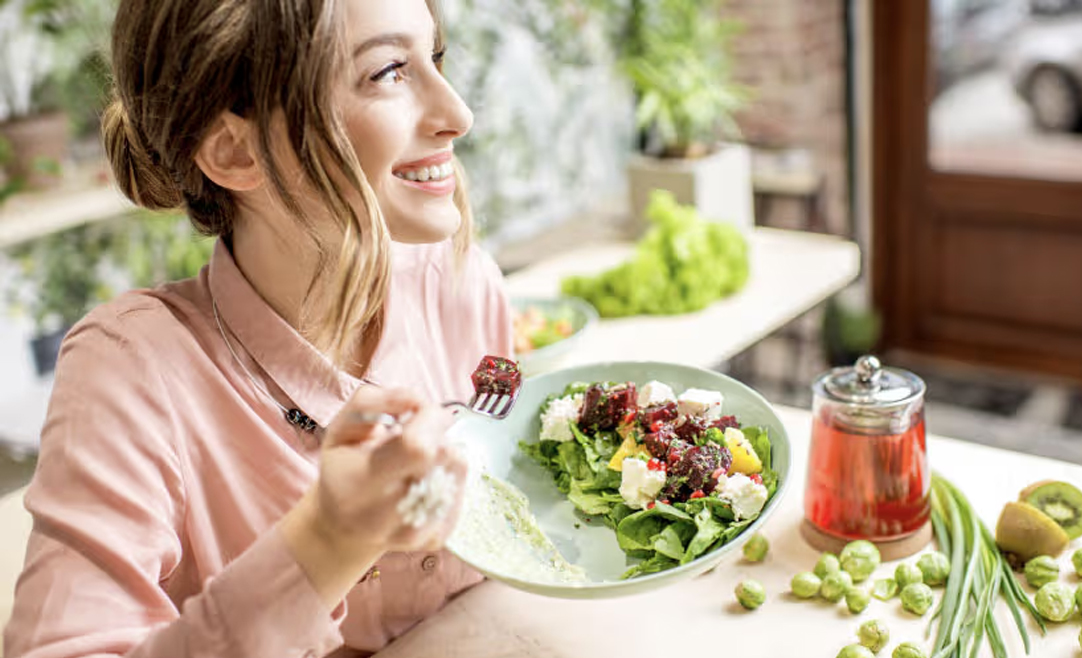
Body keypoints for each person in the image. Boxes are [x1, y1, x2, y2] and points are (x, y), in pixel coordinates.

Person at [3, 0, 513, 656]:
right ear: (235, 151)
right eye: (387, 71)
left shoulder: (466, 283)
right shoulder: (131, 371)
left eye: (434, 58)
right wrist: (327, 542)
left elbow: (505, 445)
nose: (458, 114)